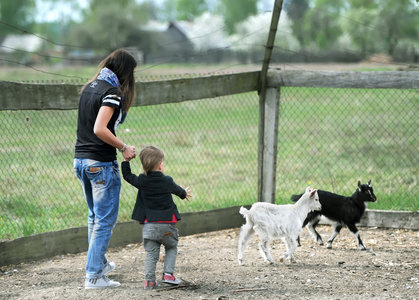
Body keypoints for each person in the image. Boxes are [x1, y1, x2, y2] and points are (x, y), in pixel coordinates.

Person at [73, 49, 137, 289]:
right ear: (126, 71)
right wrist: (124, 147)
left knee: (94, 218)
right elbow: (100, 129)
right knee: (104, 221)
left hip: (81, 161)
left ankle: (98, 265)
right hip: (100, 164)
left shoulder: (90, 87)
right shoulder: (111, 93)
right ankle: (94, 276)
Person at [121, 145, 192, 290]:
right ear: (160, 166)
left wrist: (125, 161)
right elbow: (179, 191)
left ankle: (149, 281)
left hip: (149, 226)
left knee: (152, 254)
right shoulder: (167, 181)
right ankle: (167, 274)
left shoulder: (141, 181)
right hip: (166, 226)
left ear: (142, 166)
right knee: (171, 246)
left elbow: (127, 176)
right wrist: (185, 193)